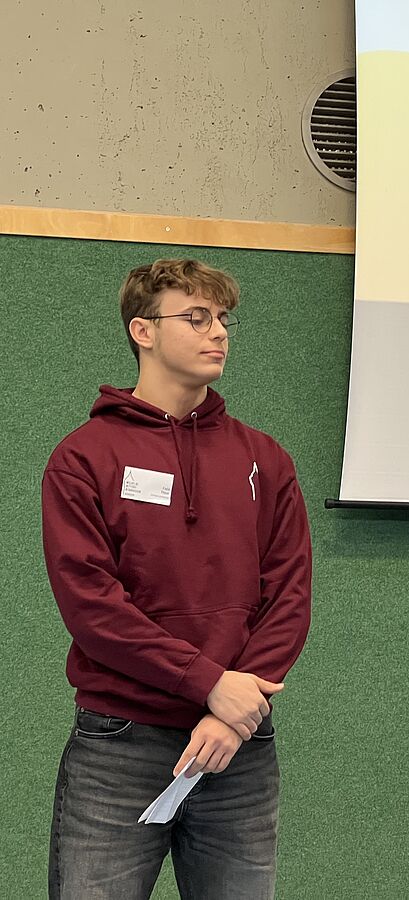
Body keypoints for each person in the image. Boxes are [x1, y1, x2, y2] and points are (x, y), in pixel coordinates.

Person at [42, 259, 313, 899]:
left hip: (238, 749)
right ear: (143, 331)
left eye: (222, 318)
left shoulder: (264, 459)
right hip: (118, 747)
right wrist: (209, 683)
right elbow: (93, 608)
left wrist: (233, 712)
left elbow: (289, 595)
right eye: (196, 317)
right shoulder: (83, 458)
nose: (217, 331)